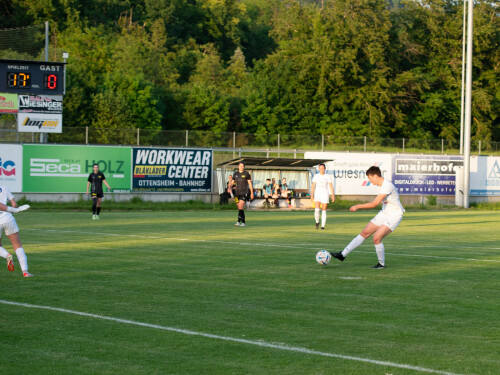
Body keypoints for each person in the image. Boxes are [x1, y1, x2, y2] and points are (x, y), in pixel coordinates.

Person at [330, 166, 405, 269]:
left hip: (394, 215)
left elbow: (374, 204)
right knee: (364, 233)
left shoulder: (387, 185)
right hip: (385, 212)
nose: (369, 180)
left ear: (375, 176)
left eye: (369, 178)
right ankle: (342, 254)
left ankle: (381, 264)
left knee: (376, 238)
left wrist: (357, 206)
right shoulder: (381, 185)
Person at [0, 185, 32, 277]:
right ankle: (25, 271)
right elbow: (14, 204)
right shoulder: (4, 187)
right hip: (8, 218)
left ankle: (7, 255)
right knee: (17, 244)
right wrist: (15, 210)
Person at [311, 163, 335, 229]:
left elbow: (331, 186)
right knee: (317, 210)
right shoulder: (316, 176)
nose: (322, 169)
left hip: (325, 194)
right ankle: (317, 222)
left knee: (324, 210)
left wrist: (333, 195)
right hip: (317, 194)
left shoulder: (327, 176)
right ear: (319, 169)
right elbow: (313, 186)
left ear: (325, 169)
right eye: (320, 168)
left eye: (323, 168)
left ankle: (322, 226)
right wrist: (312, 195)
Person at [232, 162, 254, 226]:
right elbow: (232, 182)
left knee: (241, 206)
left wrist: (252, 193)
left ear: (244, 167)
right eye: (240, 166)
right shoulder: (235, 174)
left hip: (244, 193)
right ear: (238, 166)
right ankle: (243, 222)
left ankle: (238, 222)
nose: (241, 167)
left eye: (242, 166)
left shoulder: (246, 174)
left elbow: (250, 183)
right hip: (236, 193)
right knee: (239, 207)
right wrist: (229, 187)